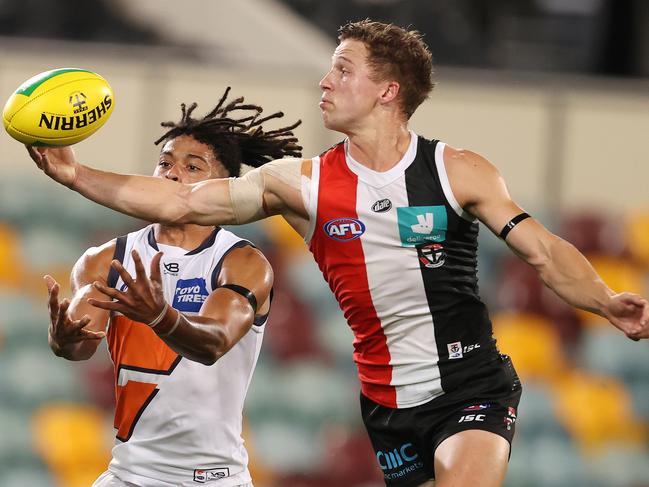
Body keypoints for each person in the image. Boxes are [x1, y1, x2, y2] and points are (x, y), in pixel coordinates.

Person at [28, 20, 649, 487]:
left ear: (387, 90)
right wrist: (76, 175)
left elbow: (542, 251)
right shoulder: (299, 185)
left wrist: (605, 302)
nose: (325, 81)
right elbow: (180, 203)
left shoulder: (457, 171)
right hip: (384, 401)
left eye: (342, 70)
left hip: (470, 382)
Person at [41, 89, 302, 487]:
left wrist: (160, 317)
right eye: (164, 163)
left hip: (215, 477)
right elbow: (82, 346)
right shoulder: (105, 258)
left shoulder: (242, 262)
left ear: (223, 187)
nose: (172, 175)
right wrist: (63, 338)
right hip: (129, 474)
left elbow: (213, 343)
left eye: (192, 166)